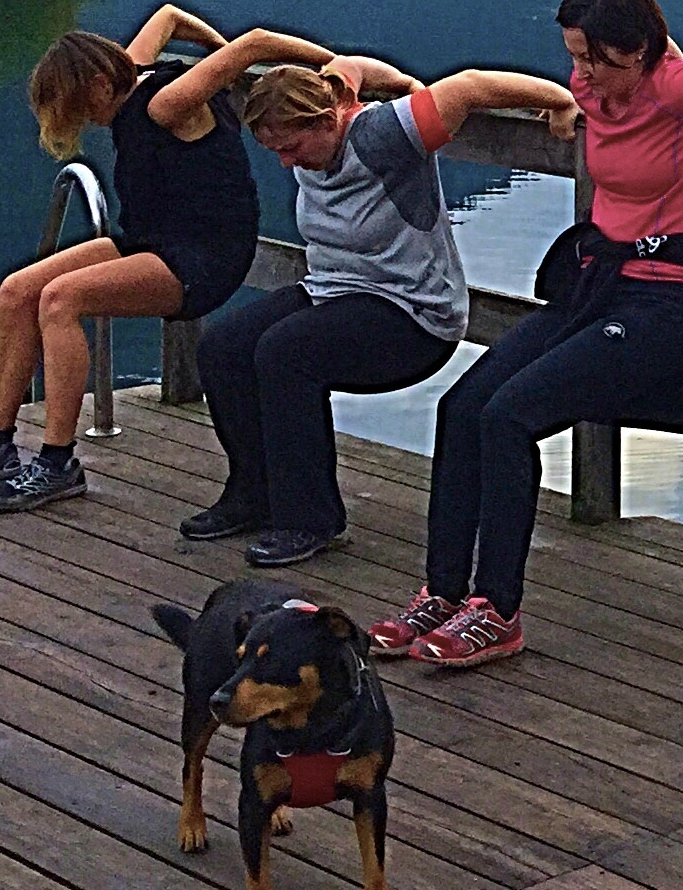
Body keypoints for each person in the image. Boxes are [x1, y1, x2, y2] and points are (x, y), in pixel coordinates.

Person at [370, 0, 683, 670]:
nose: (581, 73)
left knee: (509, 417)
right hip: (596, 286)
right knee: (462, 408)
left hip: (663, 299)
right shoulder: (593, 88)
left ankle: (497, 611)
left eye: (594, 59)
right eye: (574, 56)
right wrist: (564, 105)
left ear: (637, 51)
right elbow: (566, 92)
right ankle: (443, 592)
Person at [186, 53, 580, 568]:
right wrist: (400, 79)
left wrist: (559, 99)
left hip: (413, 312)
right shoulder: (330, 97)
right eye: (275, 150)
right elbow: (345, 64)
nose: (285, 162)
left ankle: (310, 519)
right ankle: (253, 495)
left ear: (327, 121)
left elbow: (470, 86)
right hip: (335, 290)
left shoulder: (385, 135)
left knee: (284, 353)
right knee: (223, 347)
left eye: (291, 147)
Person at [0, 5, 320, 513]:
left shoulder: (168, 101)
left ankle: (57, 462)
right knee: (17, 290)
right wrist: (215, 53)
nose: (86, 121)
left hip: (205, 256)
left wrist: (334, 68)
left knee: (61, 299)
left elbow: (257, 42)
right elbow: (170, 17)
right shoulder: (128, 73)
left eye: (82, 106)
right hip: (151, 238)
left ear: (98, 83)